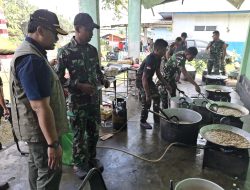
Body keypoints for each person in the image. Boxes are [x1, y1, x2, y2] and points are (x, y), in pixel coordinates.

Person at [9, 9, 68, 190]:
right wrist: (53, 143)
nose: (57, 39)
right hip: (42, 135)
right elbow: (39, 107)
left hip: (35, 133)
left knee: (37, 168)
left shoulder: (32, 54)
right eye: (54, 34)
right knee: (49, 173)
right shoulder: (31, 59)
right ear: (40, 30)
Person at [56, 13, 110, 179]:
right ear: (78, 29)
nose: (92, 33)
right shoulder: (65, 52)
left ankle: (91, 159)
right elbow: (58, 78)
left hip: (93, 100)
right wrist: (78, 86)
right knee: (79, 134)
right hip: (77, 102)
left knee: (94, 132)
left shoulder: (92, 50)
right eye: (89, 30)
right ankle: (79, 164)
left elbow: (96, 70)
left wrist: (103, 79)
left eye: (93, 30)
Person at [136, 39, 171, 129]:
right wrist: (147, 94)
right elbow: (144, 78)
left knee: (157, 97)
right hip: (141, 81)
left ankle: (156, 119)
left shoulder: (158, 58)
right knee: (147, 100)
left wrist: (166, 84)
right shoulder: (150, 59)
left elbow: (158, 73)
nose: (165, 52)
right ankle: (142, 121)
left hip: (148, 80)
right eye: (164, 50)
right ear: (157, 50)